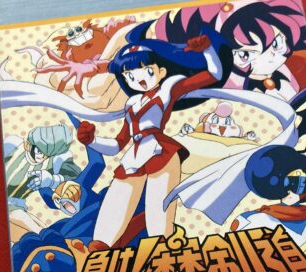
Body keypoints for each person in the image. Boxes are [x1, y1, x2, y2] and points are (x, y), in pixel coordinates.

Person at [74, 22, 226, 251]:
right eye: (129, 75)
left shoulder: (168, 88)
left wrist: (208, 50)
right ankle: (101, 245)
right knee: (117, 198)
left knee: (158, 205)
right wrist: (92, 140)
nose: (139, 78)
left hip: (160, 150)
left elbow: (214, 74)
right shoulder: (132, 103)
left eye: (147, 70)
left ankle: (163, 247)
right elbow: (117, 144)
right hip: (134, 154)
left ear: (161, 71)